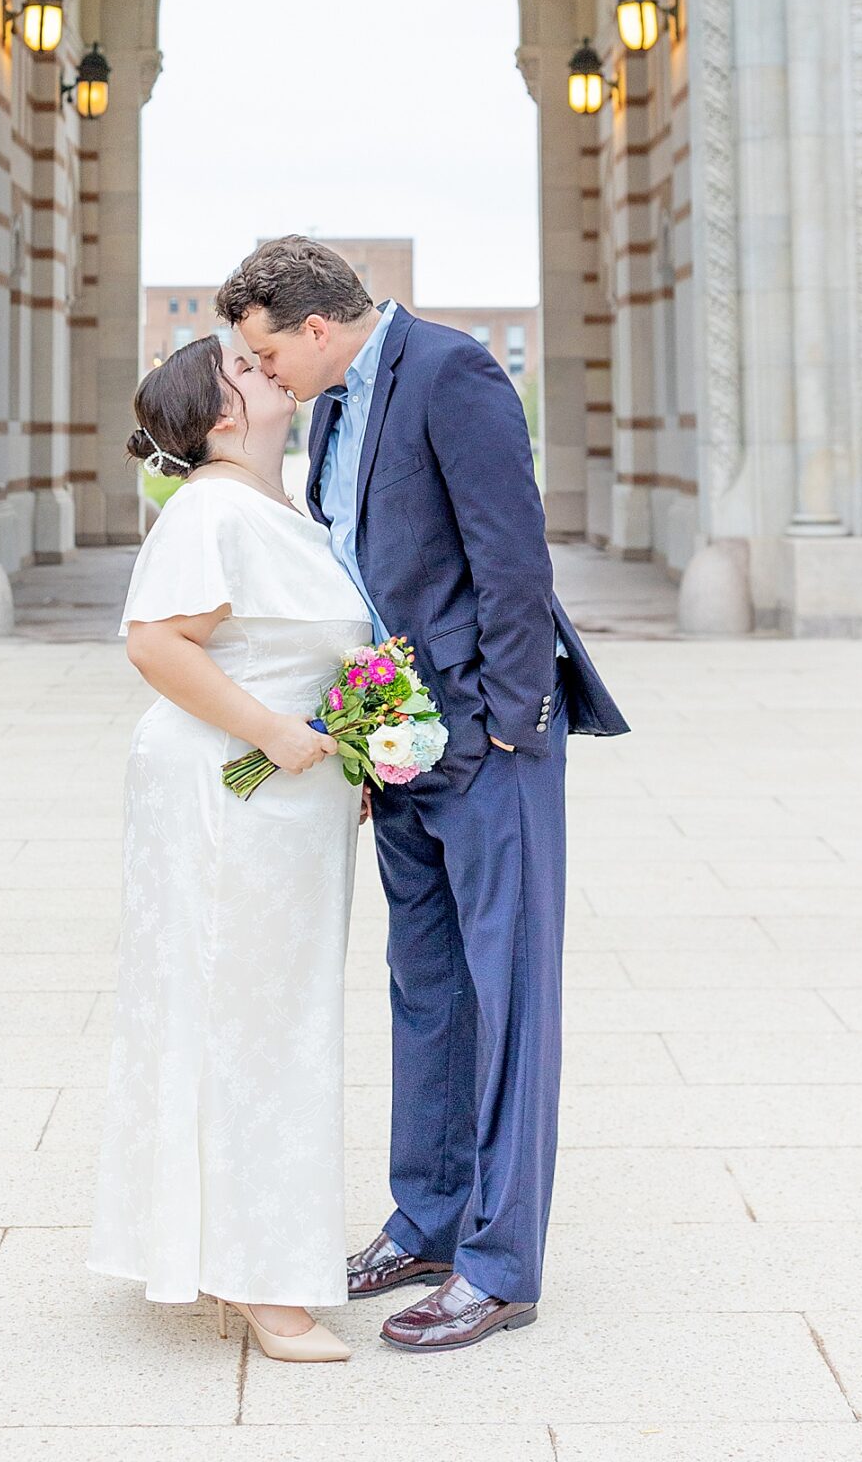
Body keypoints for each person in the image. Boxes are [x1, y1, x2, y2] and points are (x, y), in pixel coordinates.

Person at [218, 235, 630, 1355]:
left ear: (314, 325)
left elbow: (510, 555)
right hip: (391, 741)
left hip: (486, 742)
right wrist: (362, 739)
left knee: (507, 995)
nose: (267, 379)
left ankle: (500, 1267)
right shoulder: (338, 407)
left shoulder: (451, 372)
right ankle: (430, 1221)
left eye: (267, 354)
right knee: (428, 988)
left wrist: (507, 722)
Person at [87, 331, 373, 1364]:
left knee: (266, 1017)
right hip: (230, 797)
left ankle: (228, 1254)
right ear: (219, 416)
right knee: (252, 1022)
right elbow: (156, 643)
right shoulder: (208, 509)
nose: (270, 367)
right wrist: (275, 732)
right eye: (247, 368)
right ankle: (263, 1281)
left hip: (286, 802)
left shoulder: (271, 505)